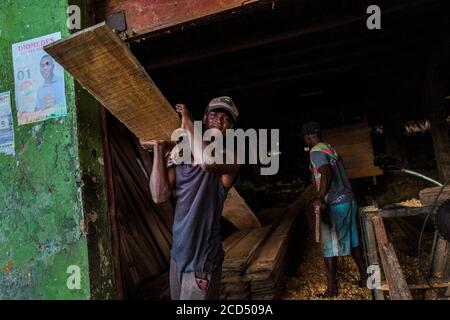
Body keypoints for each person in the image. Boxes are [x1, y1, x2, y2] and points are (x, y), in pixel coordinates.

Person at [141, 96, 240, 300]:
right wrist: (160, 148)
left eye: (226, 119)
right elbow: (159, 195)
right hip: (178, 256)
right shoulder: (181, 155)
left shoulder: (230, 157)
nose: (218, 121)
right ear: (205, 119)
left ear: (231, 128)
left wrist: (186, 121)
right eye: (214, 115)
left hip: (202, 259)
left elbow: (206, 162)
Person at [302, 121, 367, 297]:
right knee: (354, 242)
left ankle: (332, 289)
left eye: (305, 137)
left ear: (308, 136)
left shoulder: (315, 151)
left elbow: (326, 172)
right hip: (349, 199)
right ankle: (365, 278)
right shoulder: (330, 149)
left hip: (336, 203)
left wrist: (320, 197)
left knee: (329, 246)